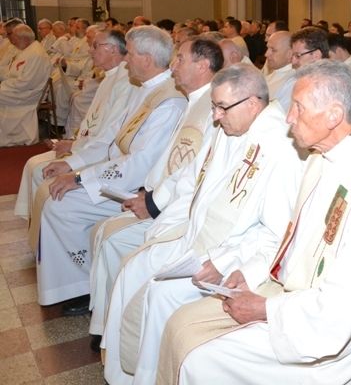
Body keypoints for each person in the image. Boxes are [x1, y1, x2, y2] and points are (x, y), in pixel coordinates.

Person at [154, 60, 351, 385]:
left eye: (298, 107)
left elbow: (342, 306)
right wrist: (252, 272)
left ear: (333, 115)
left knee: (199, 359)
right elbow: (294, 241)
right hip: (294, 298)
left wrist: (265, 309)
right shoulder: (325, 155)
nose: (288, 117)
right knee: (179, 324)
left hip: (323, 333)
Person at [102, 64, 303, 385]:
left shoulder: (279, 149)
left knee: (161, 294)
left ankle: (154, 377)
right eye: (214, 106)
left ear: (253, 104)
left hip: (236, 260)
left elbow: (277, 234)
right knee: (144, 274)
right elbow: (199, 185)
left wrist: (222, 262)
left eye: (222, 107)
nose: (216, 117)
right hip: (200, 245)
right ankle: (135, 375)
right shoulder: (230, 129)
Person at [31, 25, 187, 307]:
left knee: (60, 205)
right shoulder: (144, 89)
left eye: (130, 54)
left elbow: (141, 163)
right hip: (117, 173)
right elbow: (111, 136)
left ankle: (82, 286)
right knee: (57, 198)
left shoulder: (169, 102)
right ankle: (81, 280)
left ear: (147, 59)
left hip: (136, 188)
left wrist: (80, 178)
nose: (125, 59)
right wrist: (74, 167)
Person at [88, 38, 223, 339]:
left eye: (181, 59)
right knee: (106, 233)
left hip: (177, 211)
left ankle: (117, 328)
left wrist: (152, 202)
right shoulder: (193, 101)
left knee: (113, 240)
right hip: (159, 198)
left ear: (202, 66)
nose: (173, 66)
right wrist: (147, 194)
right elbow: (169, 162)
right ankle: (107, 321)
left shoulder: (211, 108)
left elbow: (192, 174)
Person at [14, 30, 132, 219]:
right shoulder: (110, 77)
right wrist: (74, 143)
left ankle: (42, 224)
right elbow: (95, 124)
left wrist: (74, 151)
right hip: (90, 147)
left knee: (39, 170)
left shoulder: (125, 82)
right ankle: (36, 223)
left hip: (103, 157)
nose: (90, 50)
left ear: (112, 49)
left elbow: (109, 135)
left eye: (95, 46)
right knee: (33, 165)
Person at [0, 24, 53, 146]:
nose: (13, 42)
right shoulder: (27, 51)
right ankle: (6, 136)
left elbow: (26, 83)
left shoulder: (36, 54)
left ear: (24, 39)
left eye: (15, 39)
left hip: (27, 94)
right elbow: (12, 72)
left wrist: (4, 85)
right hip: (18, 90)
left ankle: (11, 137)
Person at [263, 30, 296, 111]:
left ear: (289, 54)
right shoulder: (276, 70)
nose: (266, 54)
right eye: (267, 48)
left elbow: (277, 114)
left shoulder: (292, 81)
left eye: (273, 50)